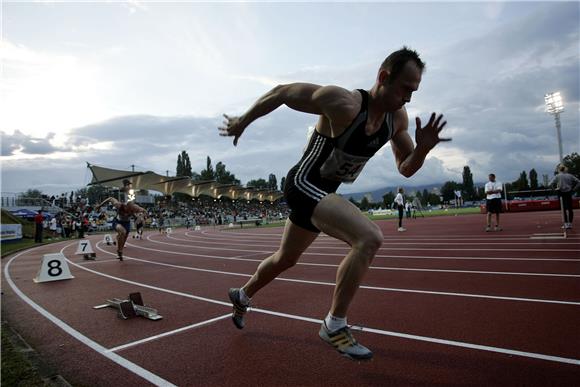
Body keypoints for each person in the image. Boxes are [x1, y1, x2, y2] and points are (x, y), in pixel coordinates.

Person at [218, 47, 450, 360]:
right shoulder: (344, 103)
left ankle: (242, 295)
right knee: (369, 238)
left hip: (322, 194)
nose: (408, 97)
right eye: (404, 88)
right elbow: (282, 92)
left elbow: (406, 167)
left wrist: (422, 149)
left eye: (414, 91)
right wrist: (243, 121)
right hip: (302, 184)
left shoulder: (397, 120)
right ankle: (334, 324)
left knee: (286, 259)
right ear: (383, 77)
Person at [96, 181, 146, 260]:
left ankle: (119, 252)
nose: (129, 210)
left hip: (127, 223)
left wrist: (141, 217)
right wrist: (100, 205)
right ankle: (119, 243)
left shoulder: (135, 208)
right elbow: (110, 198)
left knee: (123, 239)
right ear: (125, 206)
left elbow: (144, 211)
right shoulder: (118, 205)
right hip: (117, 222)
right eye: (128, 208)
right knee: (123, 232)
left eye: (131, 208)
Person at [549, 164, 580, 229]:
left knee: (563, 209)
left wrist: (554, 190)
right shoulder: (570, 175)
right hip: (569, 192)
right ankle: (570, 224)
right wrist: (574, 189)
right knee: (570, 208)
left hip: (561, 193)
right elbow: (578, 182)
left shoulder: (558, 176)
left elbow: (550, 184)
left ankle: (566, 223)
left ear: (559, 169)